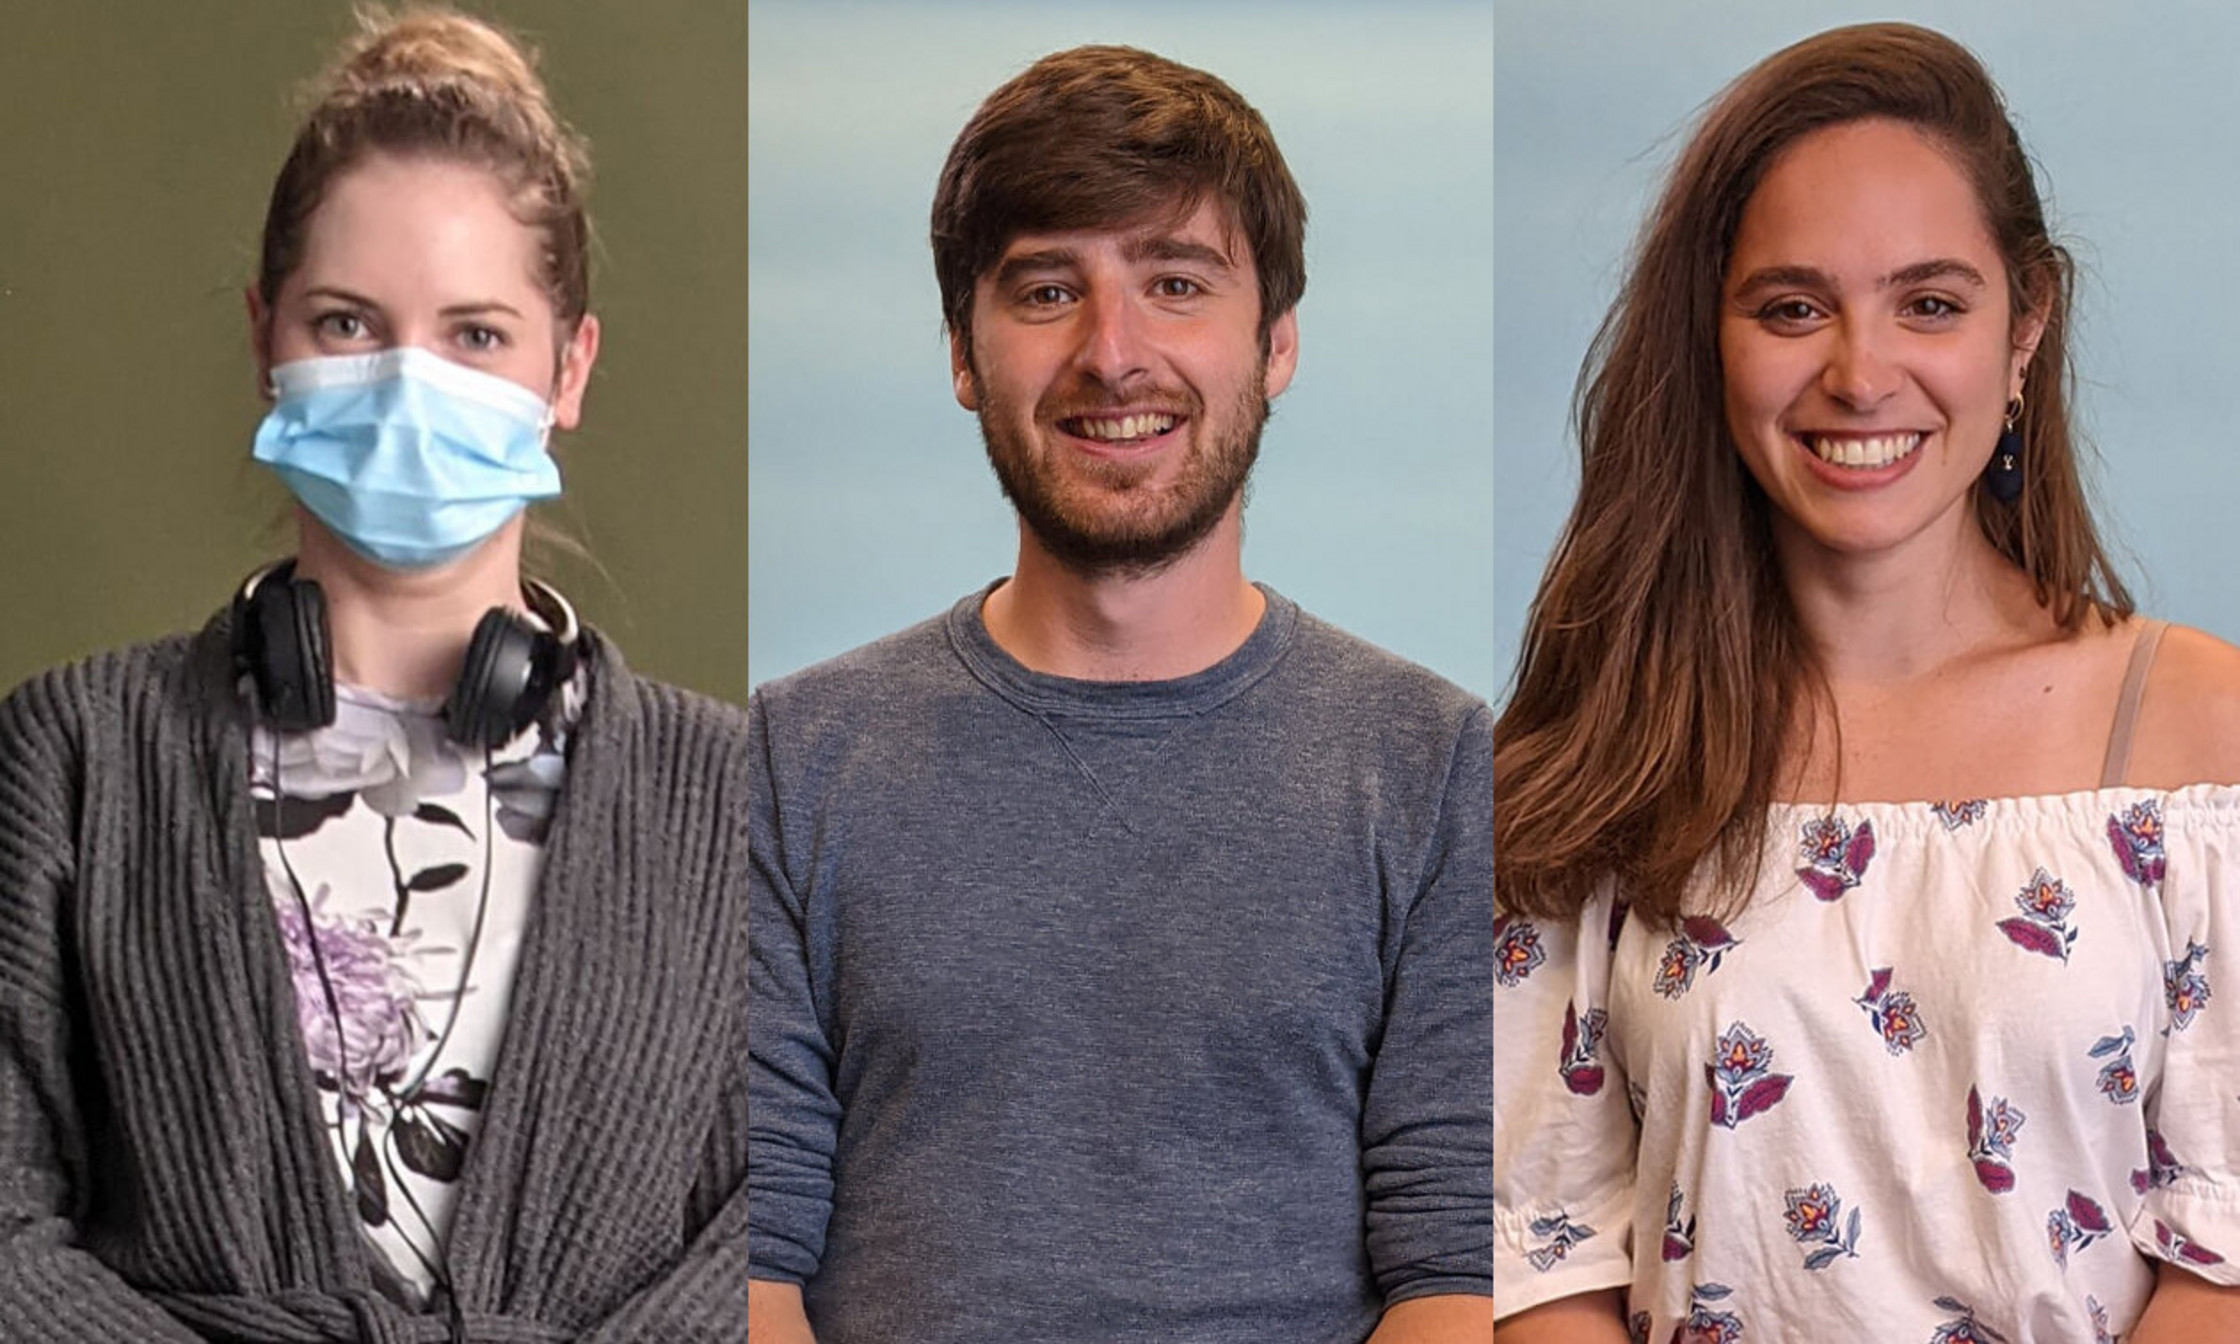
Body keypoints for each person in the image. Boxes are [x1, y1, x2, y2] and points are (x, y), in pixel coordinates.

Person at [0, 10, 754, 1341]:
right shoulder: (70, 758)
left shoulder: (739, 801)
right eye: (347, 322)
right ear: (264, 340)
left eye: (476, 336)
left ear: (569, 368)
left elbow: (797, 1226)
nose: (410, 385)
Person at [1493, 21, 2240, 1344]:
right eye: (1792, 307)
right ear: (1711, 337)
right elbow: (1540, 1253)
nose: (1859, 373)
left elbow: (2226, 1262)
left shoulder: (2199, 734)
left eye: (1930, 304)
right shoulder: (1604, 751)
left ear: (2025, 329)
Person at [745, 44, 1493, 1344]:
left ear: (1277, 342)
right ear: (963, 353)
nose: (1113, 352)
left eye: (1176, 283)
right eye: (1047, 290)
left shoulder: (1435, 766)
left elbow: (1457, 1274)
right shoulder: (788, 760)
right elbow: (746, 1261)